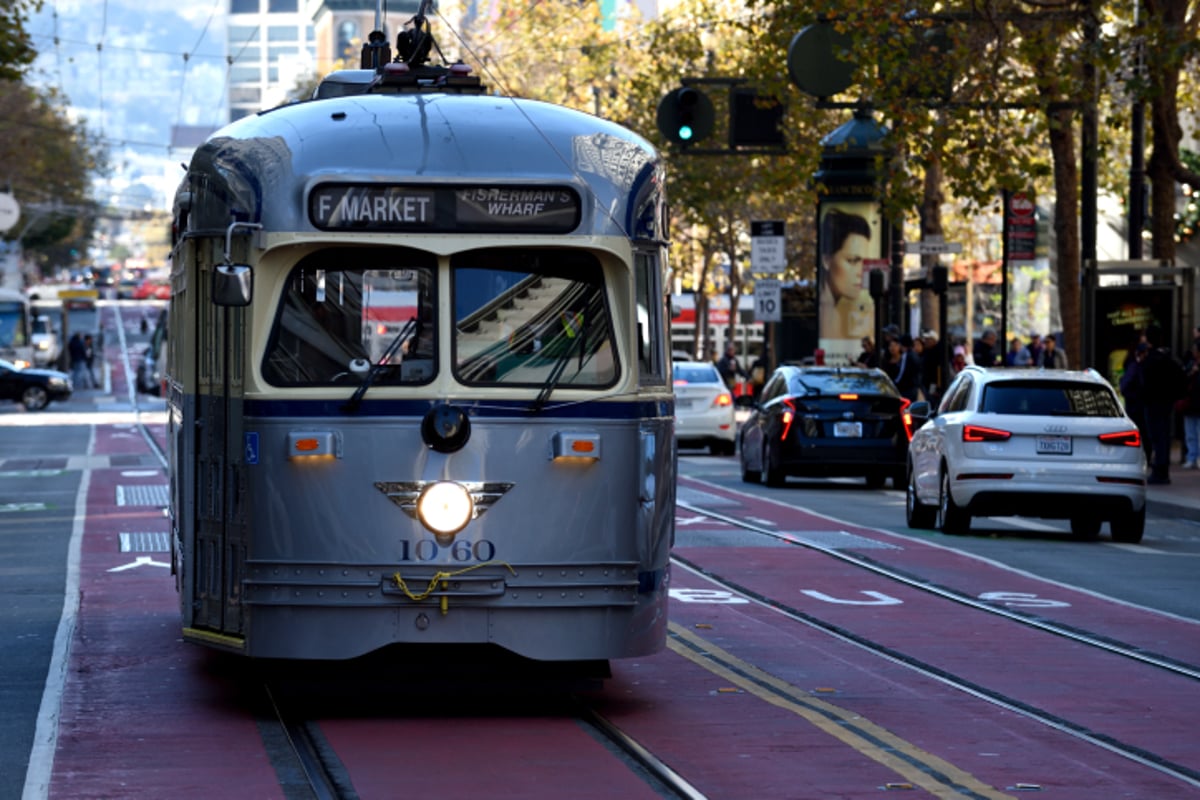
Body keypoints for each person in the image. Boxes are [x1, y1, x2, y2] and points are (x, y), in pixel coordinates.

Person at [1141, 325, 1187, 484]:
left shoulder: (1152, 359)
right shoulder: (1167, 358)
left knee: (1157, 436)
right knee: (1163, 436)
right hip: (1165, 403)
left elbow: (1145, 382)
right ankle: (1162, 469)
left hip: (1154, 403)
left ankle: (1160, 470)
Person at [818, 209, 873, 341]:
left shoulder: (833, 313)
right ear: (826, 260)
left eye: (864, 262)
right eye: (853, 260)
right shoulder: (826, 316)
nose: (861, 272)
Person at [1181, 339, 1200, 469]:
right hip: (1190, 404)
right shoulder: (1191, 364)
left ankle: (1195, 457)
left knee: (1197, 432)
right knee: (1190, 434)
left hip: (1196, 403)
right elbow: (1183, 377)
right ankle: (1192, 457)